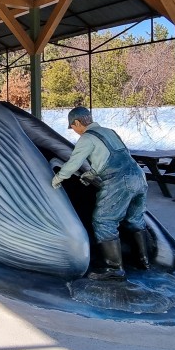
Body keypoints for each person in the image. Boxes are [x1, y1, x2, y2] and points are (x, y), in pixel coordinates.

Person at [50, 107, 149, 281]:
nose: (74, 131)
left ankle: (114, 268)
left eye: (73, 127)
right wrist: (92, 174)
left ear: (78, 123)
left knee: (104, 221)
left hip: (119, 181)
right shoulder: (109, 132)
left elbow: (74, 162)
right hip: (139, 176)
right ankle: (144, 260)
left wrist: (57, 178)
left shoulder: (87, 138)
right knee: (135, 219)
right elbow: (112, 157)